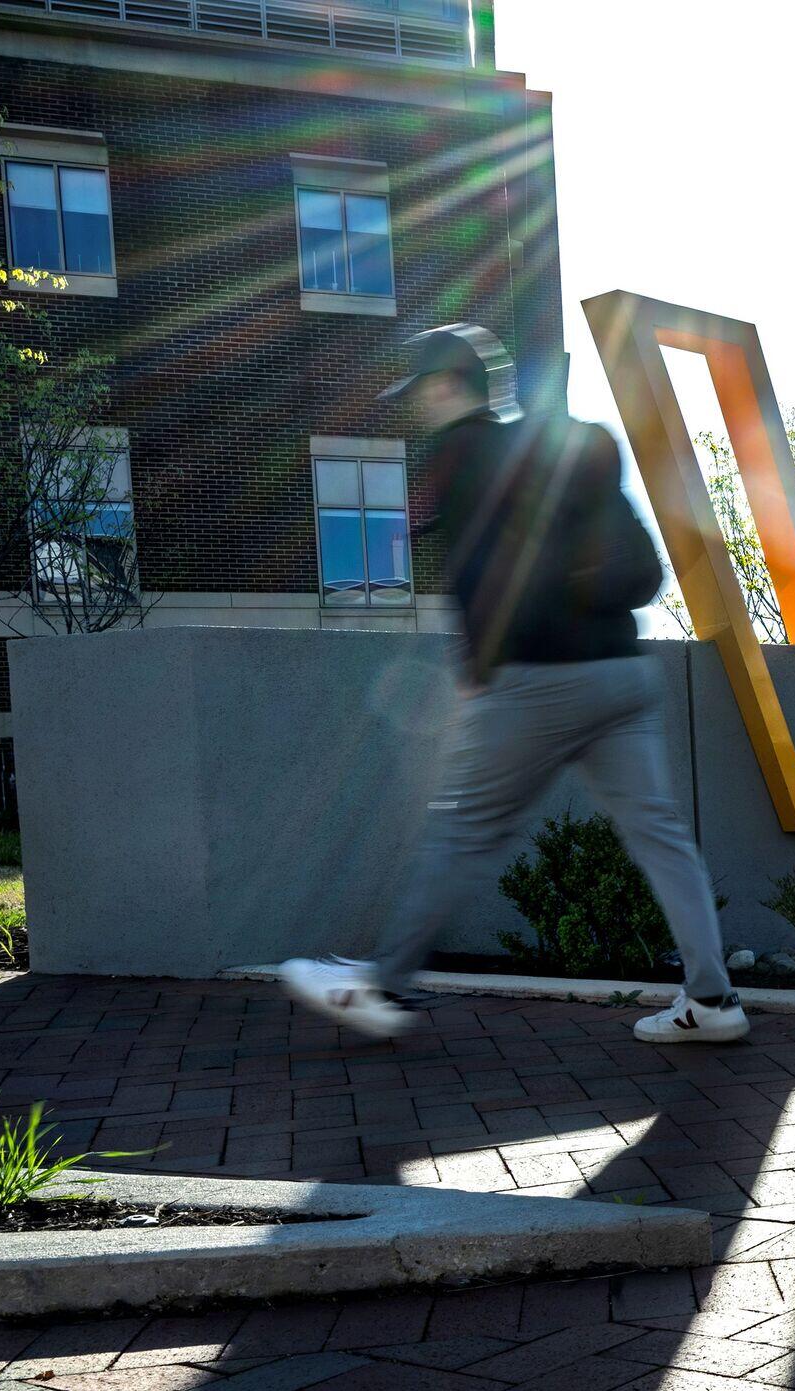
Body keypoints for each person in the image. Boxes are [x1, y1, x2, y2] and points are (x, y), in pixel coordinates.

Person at [279, 323, 749, 1045]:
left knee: (462, 828)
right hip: (624, 675)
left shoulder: (465, 450)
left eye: (420, 393)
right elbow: (636, 564)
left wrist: (476, 671)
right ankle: (713, 1000)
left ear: (446, 386)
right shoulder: (565, 450)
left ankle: (384, 986)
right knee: (660, 834)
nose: (419, 408)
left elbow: (473, 573)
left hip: (536, 677)